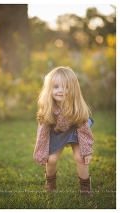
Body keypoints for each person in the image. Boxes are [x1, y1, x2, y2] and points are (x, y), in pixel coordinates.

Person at [33, 67, 94, 197]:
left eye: (65, 86)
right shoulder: (48, 107)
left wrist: (86, 151)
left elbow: (84, 130)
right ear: (49, 89)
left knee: (81, 157)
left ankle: (85, 188)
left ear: (73, 88)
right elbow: (42, 134)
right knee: (52, 159)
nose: (60, 90)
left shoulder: (77, 106)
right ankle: (50, 183)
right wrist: (41, 153)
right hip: (57, 133)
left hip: (76, 131)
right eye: (55, 87)